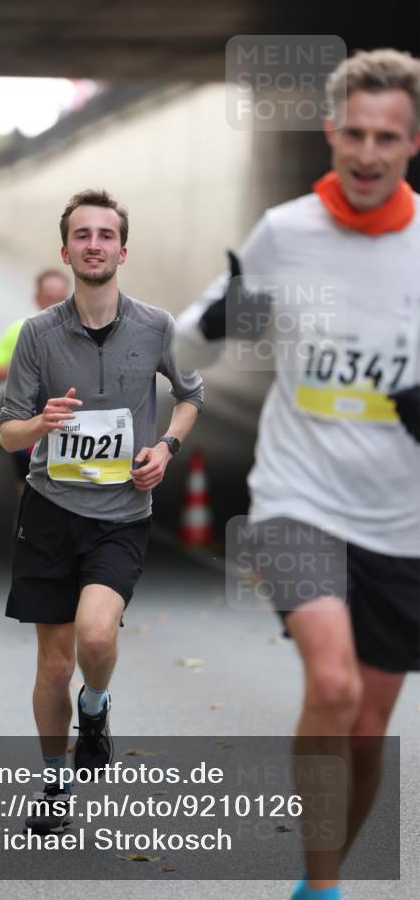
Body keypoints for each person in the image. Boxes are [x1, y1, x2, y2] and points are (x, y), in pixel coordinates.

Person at [174, 49, 420, 899]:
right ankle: (323, 889)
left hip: (401, 521)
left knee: (367, 728)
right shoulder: (284, 232)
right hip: (295, 499)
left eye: (385, 137)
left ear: (411, 143)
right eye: (353, 133)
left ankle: (319, 879)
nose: (366, 153)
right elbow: (189, 345)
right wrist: (214, 319)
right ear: (329, 133)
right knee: (333, 682)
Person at [0, 189, 203, 829]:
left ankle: (96, 705)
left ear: (122, 250)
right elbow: (6, 432)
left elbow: (191, 396)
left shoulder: (157, 326)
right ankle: (54, 787)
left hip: (120, 514)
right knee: (53, 662)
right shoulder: (37, 334)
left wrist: (165, 448)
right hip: (50, 511)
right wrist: (40, 423)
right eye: (82, 235)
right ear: (66, 251)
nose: (94, 244)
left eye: (105, 235)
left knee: (94, 635)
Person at [0, 270, 70, 493]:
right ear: (37, 299)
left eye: (61, 299)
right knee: (30, 491)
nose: (55, 306)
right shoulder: (22, 330)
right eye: (49, 299)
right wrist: (26, 366)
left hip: (69, 427)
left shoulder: (81, 333)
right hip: (31, 426)